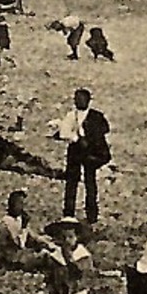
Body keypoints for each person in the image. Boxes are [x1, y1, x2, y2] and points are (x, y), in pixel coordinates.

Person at [52, 88, 110, 224]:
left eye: (82, 99)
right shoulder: (71, 116)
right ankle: (68, 213)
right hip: (75, 152)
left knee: (90, 182)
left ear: (89, 101)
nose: (78, 101)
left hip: (90, 152)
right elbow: (64, 133)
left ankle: (92, 214)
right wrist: (77, 138)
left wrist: (90, 140)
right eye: (76, 99)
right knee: (71, 181)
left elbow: (104, 129)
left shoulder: (96, 116)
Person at [0, 111, 59, 177]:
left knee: (34, 160)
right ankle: (53, 173)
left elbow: (4, 144)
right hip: (4, 161)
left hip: (9, 155)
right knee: (28, 167)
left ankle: (52, 171)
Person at [0, 190, 52, 270]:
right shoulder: (6, 222)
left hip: (22, 255)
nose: (22, 207)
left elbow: (32, 236)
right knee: (45, 257)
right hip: (13, 259)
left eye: (23, 204)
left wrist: (47, 241)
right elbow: (18, 244)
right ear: (11, 204)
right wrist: (24, 227)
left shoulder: (19, 219)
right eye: (20, 203)